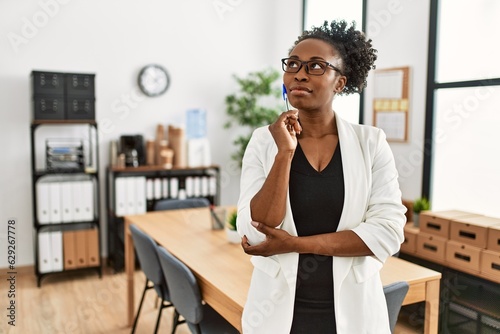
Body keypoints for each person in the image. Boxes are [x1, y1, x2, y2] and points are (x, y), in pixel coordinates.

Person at [236, 20, 407, 334]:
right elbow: (257, 232)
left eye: (316, 66)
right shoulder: (264, 141)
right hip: (276, 314)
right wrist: (284, 154)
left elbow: (388, 232)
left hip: (353, 315)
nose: (300, 73)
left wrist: (297, 244)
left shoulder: (371, 143)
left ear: (340, 83)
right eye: (294, 64)